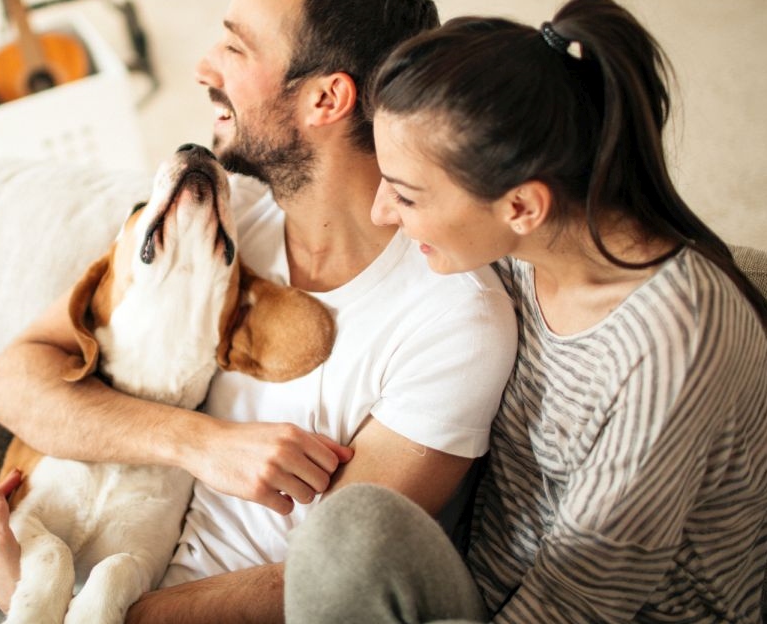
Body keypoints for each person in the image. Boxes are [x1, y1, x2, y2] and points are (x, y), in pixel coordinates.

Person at [0, 0, 521, 621]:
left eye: (235, 48)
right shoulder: (225, 219)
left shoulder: (454, 321)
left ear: (325, 100)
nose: (205, 67)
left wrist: (58, 608)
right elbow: (8, 383)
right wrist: (202, 443)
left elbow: (328, 580)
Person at [284, 0, 767, 622]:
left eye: (404, 194)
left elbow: (581, 602)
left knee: (345, 536)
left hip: (591, 611)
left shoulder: (675, 337)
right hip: (482, 578)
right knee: (347, 530)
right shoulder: (515, 254)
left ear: (522, 207)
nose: (384, 213)